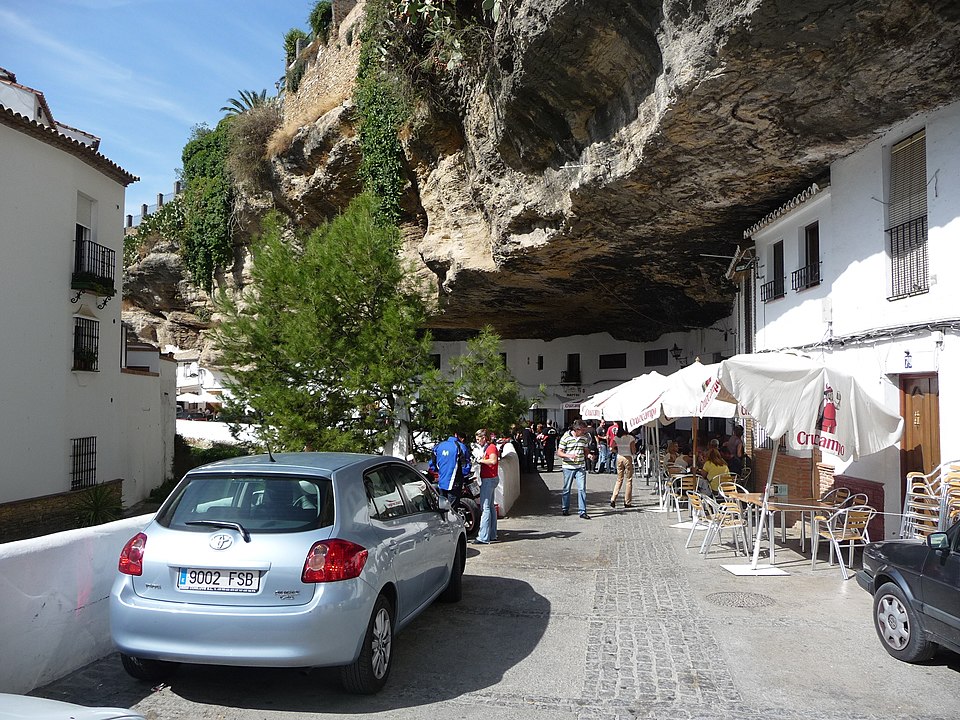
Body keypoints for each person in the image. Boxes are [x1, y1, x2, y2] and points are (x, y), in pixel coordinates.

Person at [557, 419, 594, 518]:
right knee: (567, 489)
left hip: (580, 466)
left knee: (582, 489)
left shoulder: (584, 438)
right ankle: (565, 508)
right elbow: (559, 452)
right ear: (577, 429)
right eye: (583, 430)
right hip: (568, 467)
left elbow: (585, 450)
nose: (584, 432)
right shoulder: (566, 437)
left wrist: (589, 455)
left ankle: (582, 511)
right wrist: (569, 455)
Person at [429, 432, 472, 504]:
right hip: (455, 481)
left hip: (442, 481)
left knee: (443, 506)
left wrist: (438, 471)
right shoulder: (460, 446)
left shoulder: (439, 446)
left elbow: (432, 462)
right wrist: (464, 474)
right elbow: (465, 466)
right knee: (452, 510)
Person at [474, 428, 500, 544]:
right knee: (490, 506)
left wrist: (480, 461)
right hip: (490, 478)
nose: (478, 441)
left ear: (484, 438)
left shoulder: (491, 448)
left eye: (478, 439)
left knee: (485, 508)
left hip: (489, 479)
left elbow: (493, 461)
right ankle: (492, 534)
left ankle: (483, 537)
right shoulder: (489, 448)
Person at [610, 425, 637, 508]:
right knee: (629, 480)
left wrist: (617, 451)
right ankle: (627, 501)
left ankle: (613, 498)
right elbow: (633, 450)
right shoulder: (631, 438)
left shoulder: (616, 438)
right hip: (628, 457)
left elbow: (611, 448)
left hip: (619, 457)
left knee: (619, 479)